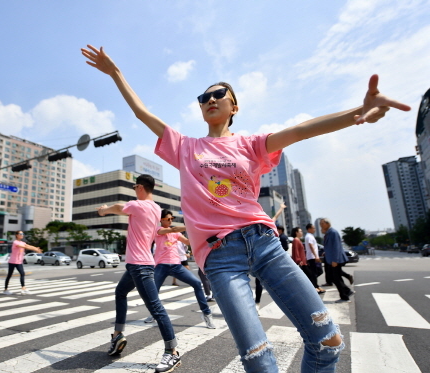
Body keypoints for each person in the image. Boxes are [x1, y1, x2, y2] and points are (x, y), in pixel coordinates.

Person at [81, 44, 410, 371]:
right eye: (202, 98)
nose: (209, 99)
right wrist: (116, 74)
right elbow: (143, 114)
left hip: (266, 244)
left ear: (234, 105)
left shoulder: (251, 144)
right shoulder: (185, 147)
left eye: (218, 94)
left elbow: (299, 131)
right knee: (258, 361)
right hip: (221, 257)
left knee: (328, 341)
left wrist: (357, 113)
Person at [97, 174, 181, 373]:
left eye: (135, 187)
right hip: (137, 265)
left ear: (141, 187)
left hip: (140, 266)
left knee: (155, 308)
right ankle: (118, 334)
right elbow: (156, 232)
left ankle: (173, 351)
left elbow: (118, 207)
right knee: (120, 293)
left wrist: (104, 210)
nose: (134, 191)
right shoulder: (156, 208)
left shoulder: (139, 205)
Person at [145, 209, 215, 329]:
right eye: (168, 219)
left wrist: (200, 234)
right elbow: (172, 229)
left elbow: (187, 242)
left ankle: (206, 314)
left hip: (176, 266)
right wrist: (190, 225)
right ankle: (154, 314)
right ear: (161, 220)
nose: (171, 221)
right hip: (161, 266)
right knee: (153, 291)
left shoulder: (176, 233)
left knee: (197, 283)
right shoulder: (157, 230)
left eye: (172, 219)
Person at [255, 203, 286, 312]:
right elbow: (275, 217)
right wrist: (281, 208)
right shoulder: (266, 224)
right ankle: (256, 304)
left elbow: (275, 217)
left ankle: (256, 304)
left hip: (255, 256)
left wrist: (281, 208)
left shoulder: (253, 225)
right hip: (266, 257)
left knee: (257, 282)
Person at [320, 218, 354, 303]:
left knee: (336, 278)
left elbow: (336, 247)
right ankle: (346, 292)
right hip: (331, 259)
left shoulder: (333, 232)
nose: (321, 225)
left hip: (335, 260)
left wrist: (335, 260)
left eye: (322, 223)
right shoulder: (329, 232)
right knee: (336, 277)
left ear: (327, 224)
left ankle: (345, 296)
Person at [291, 227, 324, 294]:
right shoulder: (296, 240)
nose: (301, 232)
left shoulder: (298, 240)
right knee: (310, 276)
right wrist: (298, 260)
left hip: (304, 262)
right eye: (300, 231)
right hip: (301, 262)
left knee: (309, 276)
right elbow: (296, 251)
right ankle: (313, 290)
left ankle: (314, 289)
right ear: (296, 232)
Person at [305, 224, 324, 292]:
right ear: (309, 229)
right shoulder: (309, 236)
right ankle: (314, 286)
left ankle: (315, 285)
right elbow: (311, 246)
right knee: (315, 272)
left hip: (313, 257)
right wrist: (316, 256)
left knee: (317, 272)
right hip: (312, 257)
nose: (314, 229)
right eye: (313, 228)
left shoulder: (311, 236)